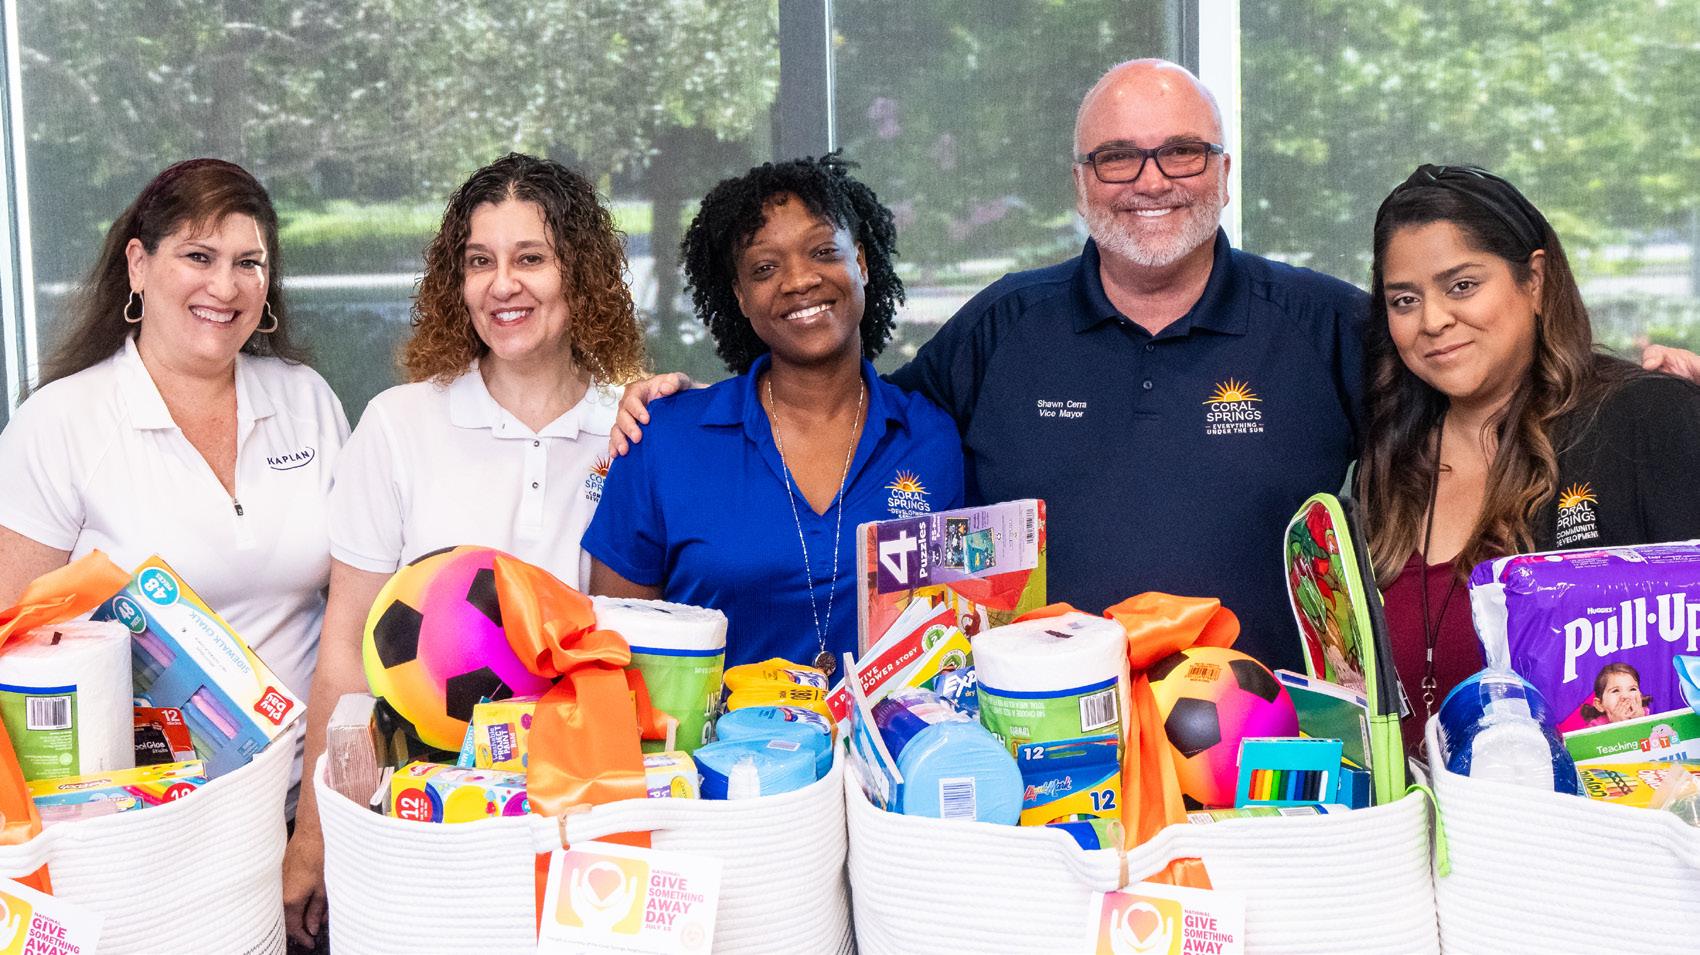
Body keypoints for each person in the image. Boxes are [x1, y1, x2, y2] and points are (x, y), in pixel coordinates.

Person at [613, 59, 1366, 672]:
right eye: (1116, 157)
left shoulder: (1329, 325)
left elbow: (1428, 454)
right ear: (1080, 182)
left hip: (1269, 749)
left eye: (1182, 151)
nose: (1150, 180)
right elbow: (845, 411)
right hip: (1049, 750)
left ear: (1224, 172)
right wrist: (701, 409)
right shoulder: (1003, 326)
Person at [282, 153, 646, 947]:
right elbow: (345, 646)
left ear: (580, 275)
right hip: (423, 823)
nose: (502, 285)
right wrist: (314, 834)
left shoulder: (629, 430)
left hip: (581, 811)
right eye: (480, 261)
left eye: (530, 258)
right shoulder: (399, 424)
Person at [0, 156, 347, 761]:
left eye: (249, 263)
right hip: (141, 799)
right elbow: (12, 640)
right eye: (199, 257)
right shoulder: (59, 422)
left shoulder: (306, 398)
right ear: (138, 264)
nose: (225, 287)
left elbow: (356, 603)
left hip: (306, 789)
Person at [1360, 164, 1700, 750]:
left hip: (1617, 804)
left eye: (1462, 286)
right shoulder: (1389, 460)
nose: (1433, 320)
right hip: (1416, 807)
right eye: (1405, 300)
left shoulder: (1643, 415)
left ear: (1535, 280)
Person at [582, 155, 964, 671]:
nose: (800, 280)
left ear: (861, 263)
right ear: (740, 296)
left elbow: (960, 625)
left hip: (897, 725)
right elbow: (614, 655)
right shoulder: (663, 439)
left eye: (823, 251)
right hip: (713, 729)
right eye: (765, 268)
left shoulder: (931, 438)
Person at [1579, 663, 1650, 726]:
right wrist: (1617, 726)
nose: (1626, 696)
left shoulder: (1648, 717)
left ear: (1640, 696)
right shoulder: (1595, 729)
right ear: (1599, 705)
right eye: (1615, 691)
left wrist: (1641, 722)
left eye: (1632, 689)